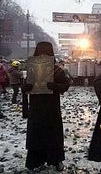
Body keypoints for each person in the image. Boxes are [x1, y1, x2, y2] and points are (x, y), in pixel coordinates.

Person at [21, 42, 70, 171]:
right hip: (36, 109)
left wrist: (53, 86)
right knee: (36, 136)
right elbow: (25, 87)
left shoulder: (57, 70)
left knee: (53, 135)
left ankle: (56, 160)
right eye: (40, 53)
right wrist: (27, 87)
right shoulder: (31, 68)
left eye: (45, 53)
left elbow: (65, 85)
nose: (43, 56)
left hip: (51, 108)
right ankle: (35, 161)